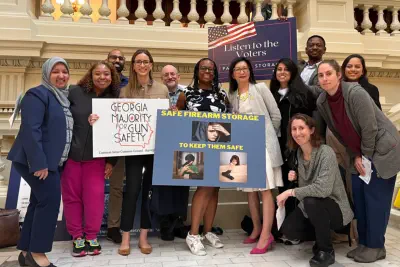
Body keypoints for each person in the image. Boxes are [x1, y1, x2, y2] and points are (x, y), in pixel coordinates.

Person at [316, 59, 400, 263]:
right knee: (360, 199)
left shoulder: (355, 93)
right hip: (357, 153)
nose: (325, 78)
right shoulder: (322, 101)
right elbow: (340, 133)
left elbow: (370, 128)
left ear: (338, 75)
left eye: (329, 74)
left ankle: (376, 246)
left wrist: (365, 157)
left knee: (375, 200)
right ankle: (364, 243)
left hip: (382, 151)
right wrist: (355, 156)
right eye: (321, 75)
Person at [90, 49, 169, 255]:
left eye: (146, 62)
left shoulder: (162, 90)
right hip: (133, 150)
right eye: (138, 62)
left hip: (155, 149)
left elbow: (168, 120)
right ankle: (126, 236)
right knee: (132, 191)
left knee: (148, 193)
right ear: (133, 66)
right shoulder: (124, 91)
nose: (142, 65)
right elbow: (115, 121)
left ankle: (143, 236)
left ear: (151, 65)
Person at [7, 57, 73, 267]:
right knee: (49, 202)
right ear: (46, 73)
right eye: (56, 71)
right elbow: (30, 130)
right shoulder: (37, 94)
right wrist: (39, 163)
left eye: (64, 71)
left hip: (51, 162)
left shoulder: (61, 98)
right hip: (36, 162)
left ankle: (26, 252)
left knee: (38, 202)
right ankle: (38, 254)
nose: (61, 76)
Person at [277, 114, 353, 267]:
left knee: (312, 202)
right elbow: (308, 186)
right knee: (289, 230)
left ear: (311, 130)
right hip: (314, 206)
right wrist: (297, 178)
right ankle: (320, 238)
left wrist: (290, 192)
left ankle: (326, 251)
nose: (297, 133)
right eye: (294, 129)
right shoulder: (298, 154)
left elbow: (322, 189)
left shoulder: (326, 152)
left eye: (301, 128)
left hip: (336, 208)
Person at [61, 61, 120, 257]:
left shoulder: (115, 99)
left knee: (94, 199)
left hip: (98, 159)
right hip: (72, 156)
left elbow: (119, 134)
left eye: (107, 74)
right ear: (91, 75)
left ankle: (91, 236)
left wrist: (112, 162)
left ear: (112, 77)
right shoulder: (74, 92)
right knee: (72, 198)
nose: (102, 77)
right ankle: (77, 237)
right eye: (98, 73)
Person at [227, 57, 283, 254]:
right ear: (232, 73)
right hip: (244, 147)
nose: (242, 71)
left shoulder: (260, 89)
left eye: (245, 68)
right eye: (237, 69)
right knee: (250, 189)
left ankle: (267, 235)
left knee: (265, 189)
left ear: (250, 71)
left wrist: (268, 137)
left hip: (263, 146)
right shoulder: (232, 94)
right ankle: (257, 228)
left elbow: (276, 116)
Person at [176, 57, 229, 256]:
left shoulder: (221, 93)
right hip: (197, 146)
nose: (207, 71)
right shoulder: (186, 94)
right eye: (203, 68)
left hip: (219, 145)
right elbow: (178, 119)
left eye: (211, 69)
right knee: (204, 186)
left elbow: (230, 117)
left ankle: (207, 231)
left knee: (215, 188)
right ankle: (193, 233)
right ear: (197, 71)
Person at [270, 58, 316, 244]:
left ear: (292, 73)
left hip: (295, 146)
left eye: (286, 70)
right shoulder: (272, 93)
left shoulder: (302, 93)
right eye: (278, 69)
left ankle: (298, 231)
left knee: (296, 186)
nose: (281, 72)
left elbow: (308, 121)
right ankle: (285, 228)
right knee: (283, 186)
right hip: (277, 146)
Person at [154, 64, 190, 242]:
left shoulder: (188, 93)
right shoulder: (157, 93)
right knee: (164, 187)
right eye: (166, 75)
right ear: (162, 78)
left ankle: (179, 223)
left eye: (172, 74)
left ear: (179, 76)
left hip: (185, 145)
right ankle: (165, 225)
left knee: (182, 186)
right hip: (162, 145)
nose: (169, 77)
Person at [106, 49, 128, 244]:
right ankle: (88, 228)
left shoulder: (129, 84)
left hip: (121, 141)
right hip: (97, 140)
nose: (117, 60)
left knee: (116, 187)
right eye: (113, 57)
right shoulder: (98, 81)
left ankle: (113, 226)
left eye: (120, 58)